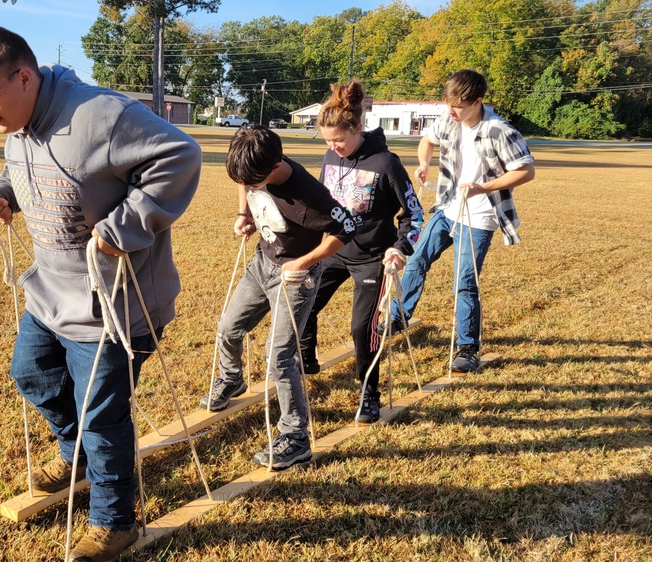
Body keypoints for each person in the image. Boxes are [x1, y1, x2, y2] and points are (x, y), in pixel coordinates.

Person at [0, 27, 201, 561]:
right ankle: (78, 458)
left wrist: (125, 226)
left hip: (113, 304)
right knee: (31, 374)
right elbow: (18, 166)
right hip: (50, 292)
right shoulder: (16, 120)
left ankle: (116, 522)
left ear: (25, 77)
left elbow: (181, 154)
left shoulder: (103, 115)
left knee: (102, 416)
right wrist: (4, 191)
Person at [200, 124, 356, 469]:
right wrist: (245, 215)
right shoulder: (252, 167)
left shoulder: (308, 195)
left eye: (253, 179)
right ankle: (231, 379)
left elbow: (346, 229)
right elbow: (245, 181)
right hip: (262, 264)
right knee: (228, 328)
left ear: (274, 165)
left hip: (296, 278)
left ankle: (296, 438)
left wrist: (304, 261)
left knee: (279, 358)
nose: (247, 184)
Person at [384, 69, 535, 372]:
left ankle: (468, 347)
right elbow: (427, 141)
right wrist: (424, 164)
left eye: (458, 105)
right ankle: (398, 316)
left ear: (478, 101)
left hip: (479, 217)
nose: (451, 111)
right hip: (446, 208)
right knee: (415, 260)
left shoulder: (499, 130)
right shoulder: (448, 120)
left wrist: (484, 187)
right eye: (448, 103)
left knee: (464, 283)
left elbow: (526, 171)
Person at [298, 80, 424, 424]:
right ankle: (306, 359)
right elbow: (324, 204)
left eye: (339, 139)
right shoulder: (329, 157)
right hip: (334, 249)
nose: (333, 147)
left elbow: (414, 213)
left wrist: (400, 249)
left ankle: (369, 395)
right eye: (327, 141)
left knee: (361, 328)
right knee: (303, 303)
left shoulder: (386, 163)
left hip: (373, 259)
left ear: (357, 128)